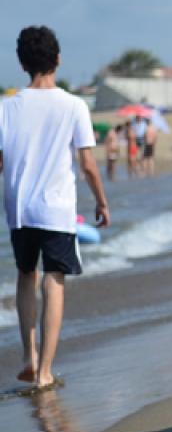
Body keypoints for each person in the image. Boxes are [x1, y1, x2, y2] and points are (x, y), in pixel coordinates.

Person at [1, 26, 110, 388]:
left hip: (19, 209)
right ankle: (45, 371)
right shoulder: (73, 105)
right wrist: (101, 201)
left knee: (25, 275)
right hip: (57, 209)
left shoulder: (7, 107)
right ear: (58, 58)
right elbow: (88, 164)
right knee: (54, 280)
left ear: (21, 62)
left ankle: (28, 355)